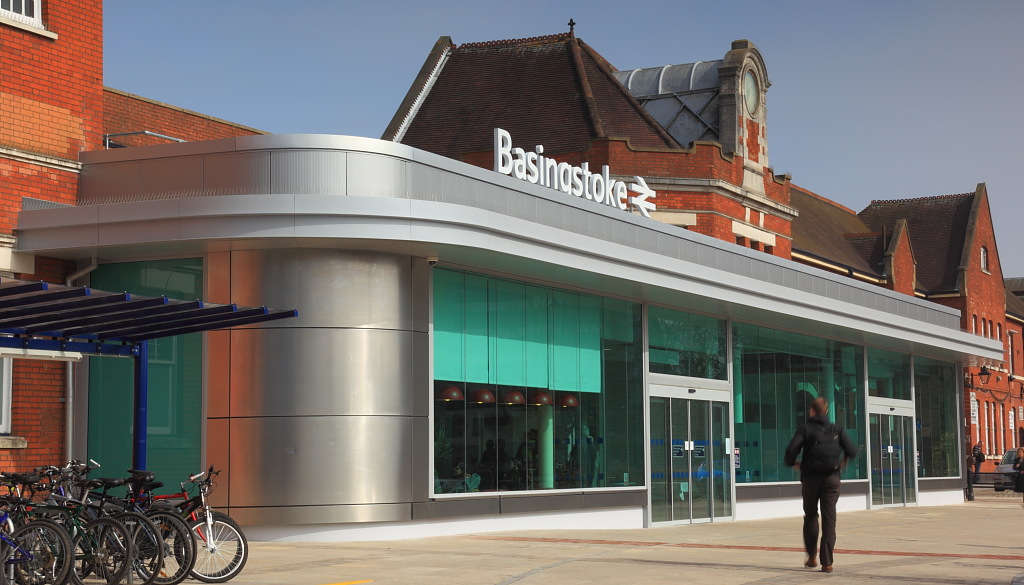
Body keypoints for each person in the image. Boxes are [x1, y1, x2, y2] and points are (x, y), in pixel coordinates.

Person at [784, 397, 858, 574]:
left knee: (810, 515)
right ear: (825, 411)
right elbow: (852, 450)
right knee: (829, 520)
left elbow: (791, 450)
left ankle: (811, 557)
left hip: (810, 478)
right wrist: (842, 462)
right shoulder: (837, 429)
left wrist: (793, 463)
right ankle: (827, 563)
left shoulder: (805, 428)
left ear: (811, 411)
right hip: (832, 478)